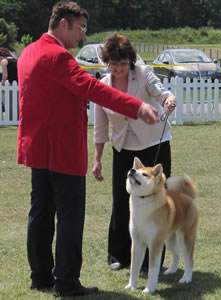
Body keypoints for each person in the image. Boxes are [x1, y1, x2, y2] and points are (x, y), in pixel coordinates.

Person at [17, 1, 162, 298]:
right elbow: (94, 89)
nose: (82, 36)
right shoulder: (59, 57)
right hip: (62, 150)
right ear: (63, 24)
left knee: (40, 213)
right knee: (70, 217)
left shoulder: (28, 52)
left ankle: (41, 275)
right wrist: (137, 106)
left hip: (36, 149)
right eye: (80, 28)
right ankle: (67, 282)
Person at [92, 33, 176, 272]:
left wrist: (169, 100)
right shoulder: (102, 86)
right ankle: (118, 255)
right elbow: (100, 127)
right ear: (106, 62)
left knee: (156, 200)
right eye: (114, 63)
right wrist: (97, 159)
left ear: (130, 60)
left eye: (123, 63)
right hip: (123, 148)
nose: (119, 68)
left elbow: (163, 92)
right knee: (121, 200)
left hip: (153, 144)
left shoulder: (144, 73)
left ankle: (154, 258)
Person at [0, 47, 18, 114]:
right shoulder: (15, 60)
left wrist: (2, 83)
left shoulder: (3, 61)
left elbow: (5, 75)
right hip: (18, 83)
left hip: (10, 83)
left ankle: (8, 113)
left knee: (6, 100)